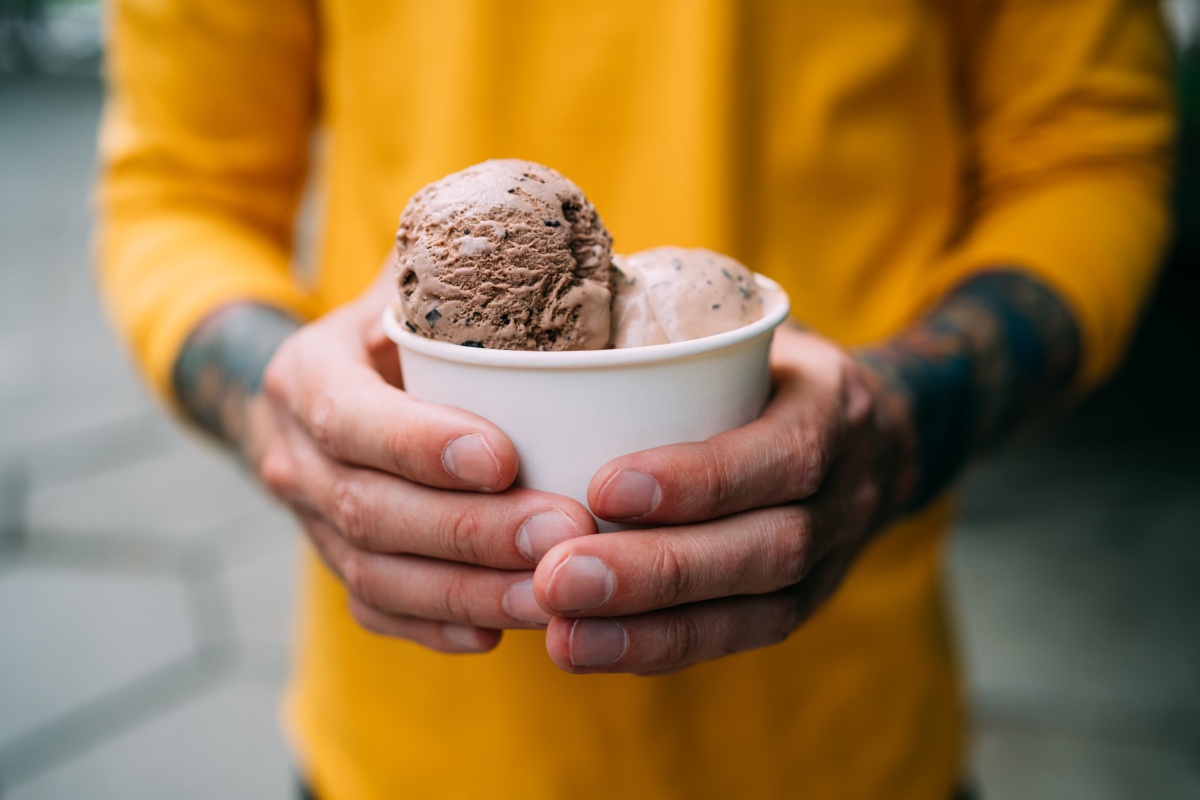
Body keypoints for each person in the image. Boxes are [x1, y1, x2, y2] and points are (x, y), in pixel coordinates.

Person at [95, 2, 1173, 798]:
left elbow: (1090, 147)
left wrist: (898, 419)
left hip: (842, 733)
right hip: (413, 748)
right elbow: (178, 189)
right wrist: (282, 406)